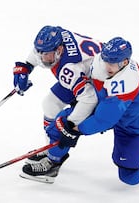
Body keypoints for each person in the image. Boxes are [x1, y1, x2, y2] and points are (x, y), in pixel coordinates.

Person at [20, 36, 139, 185]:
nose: (106, 65)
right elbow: (86, 66)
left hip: (134, 119)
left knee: (129, 175)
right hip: (110, 106)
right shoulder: (106, 60)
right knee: (62, 122)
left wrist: (76, 130)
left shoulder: (126, 83)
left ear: (125, 62)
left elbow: (102, 120)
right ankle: (52, 161)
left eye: (112, 63)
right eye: (105, 60)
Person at [13, 25, 103, 166]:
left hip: (100, 88)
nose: (42, 59)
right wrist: (26, 67)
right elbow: (41, 51)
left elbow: (89, 98)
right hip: (82, 76)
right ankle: (50, 148)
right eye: (40, 53)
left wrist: (70, 125)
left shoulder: (69, 67)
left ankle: (54, 159)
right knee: (50, 104)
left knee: (122, 125)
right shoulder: (57, 37)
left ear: (59, 50)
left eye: (46, 54)